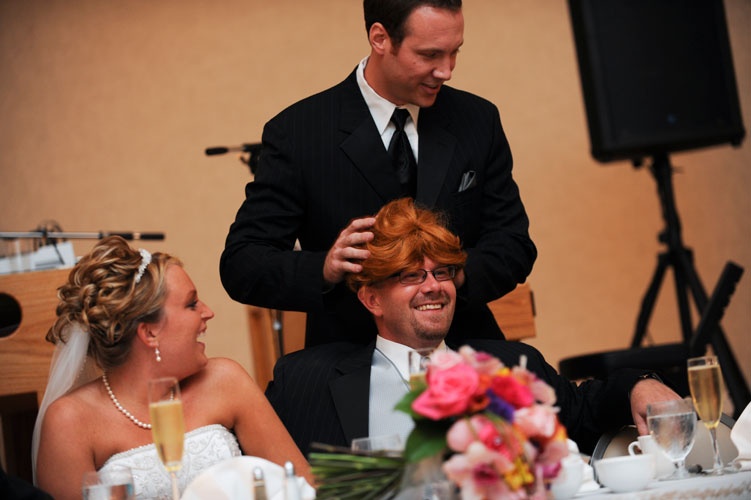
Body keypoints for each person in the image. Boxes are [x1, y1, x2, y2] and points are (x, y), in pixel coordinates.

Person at [220, 0, 537, 347]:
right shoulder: (299, 133)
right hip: (351, 359)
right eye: (430, 55)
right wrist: (325, 267)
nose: (446, 71)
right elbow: (242, 264)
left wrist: (450, 275)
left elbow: (514, 245)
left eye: (454, 52)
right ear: (380, 38)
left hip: (466, 351)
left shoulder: (477, 120)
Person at [265, 198, 681, 457]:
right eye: (412, 275)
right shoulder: (305, 382)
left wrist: (639, 384)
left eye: (442, 272)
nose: (433, 286)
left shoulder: (509, 363)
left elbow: (585, 409)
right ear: (372, 299)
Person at [32, 236, 312, 500]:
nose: (208, 312)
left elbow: (305, 486)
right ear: (149, 332)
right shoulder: (69, 421)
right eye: (191, 304)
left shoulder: (226, 380)